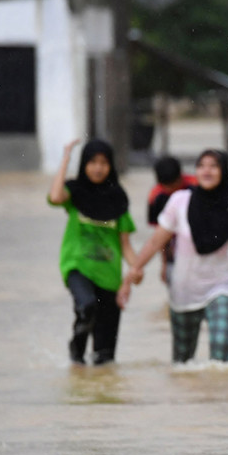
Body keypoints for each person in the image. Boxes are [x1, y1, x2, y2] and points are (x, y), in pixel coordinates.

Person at [119, 149, 228, 363]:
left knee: (221, 353)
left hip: (220, 287)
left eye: (213, 166)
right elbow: (157, 241)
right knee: (182, 363)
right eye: (201, 165)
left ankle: (222, 397)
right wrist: (132, 273)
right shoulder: (179, 201)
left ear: (224, 172)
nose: (207, 170)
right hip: (184, 290)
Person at [48, 139, 137, 365]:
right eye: (92, 162)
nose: (98, 168)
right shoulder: (75, 192)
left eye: (104, 163)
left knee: (105, 359)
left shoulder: (118, 201)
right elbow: (56, 197)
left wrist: (136, 269)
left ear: (111, 167)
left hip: (109, 277)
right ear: (84, 165)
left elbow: (125, 244)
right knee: (86, 306)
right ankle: (76, 352)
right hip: (78, 267)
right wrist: (66, 158)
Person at [146, 156, 196, 283]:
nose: (173, 191)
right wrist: (163, 263)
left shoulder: (196, 186)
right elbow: (158, 234)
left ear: (181, 176)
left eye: (175, 186)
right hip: (172, 249)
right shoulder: (155, 197)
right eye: (168, 188)